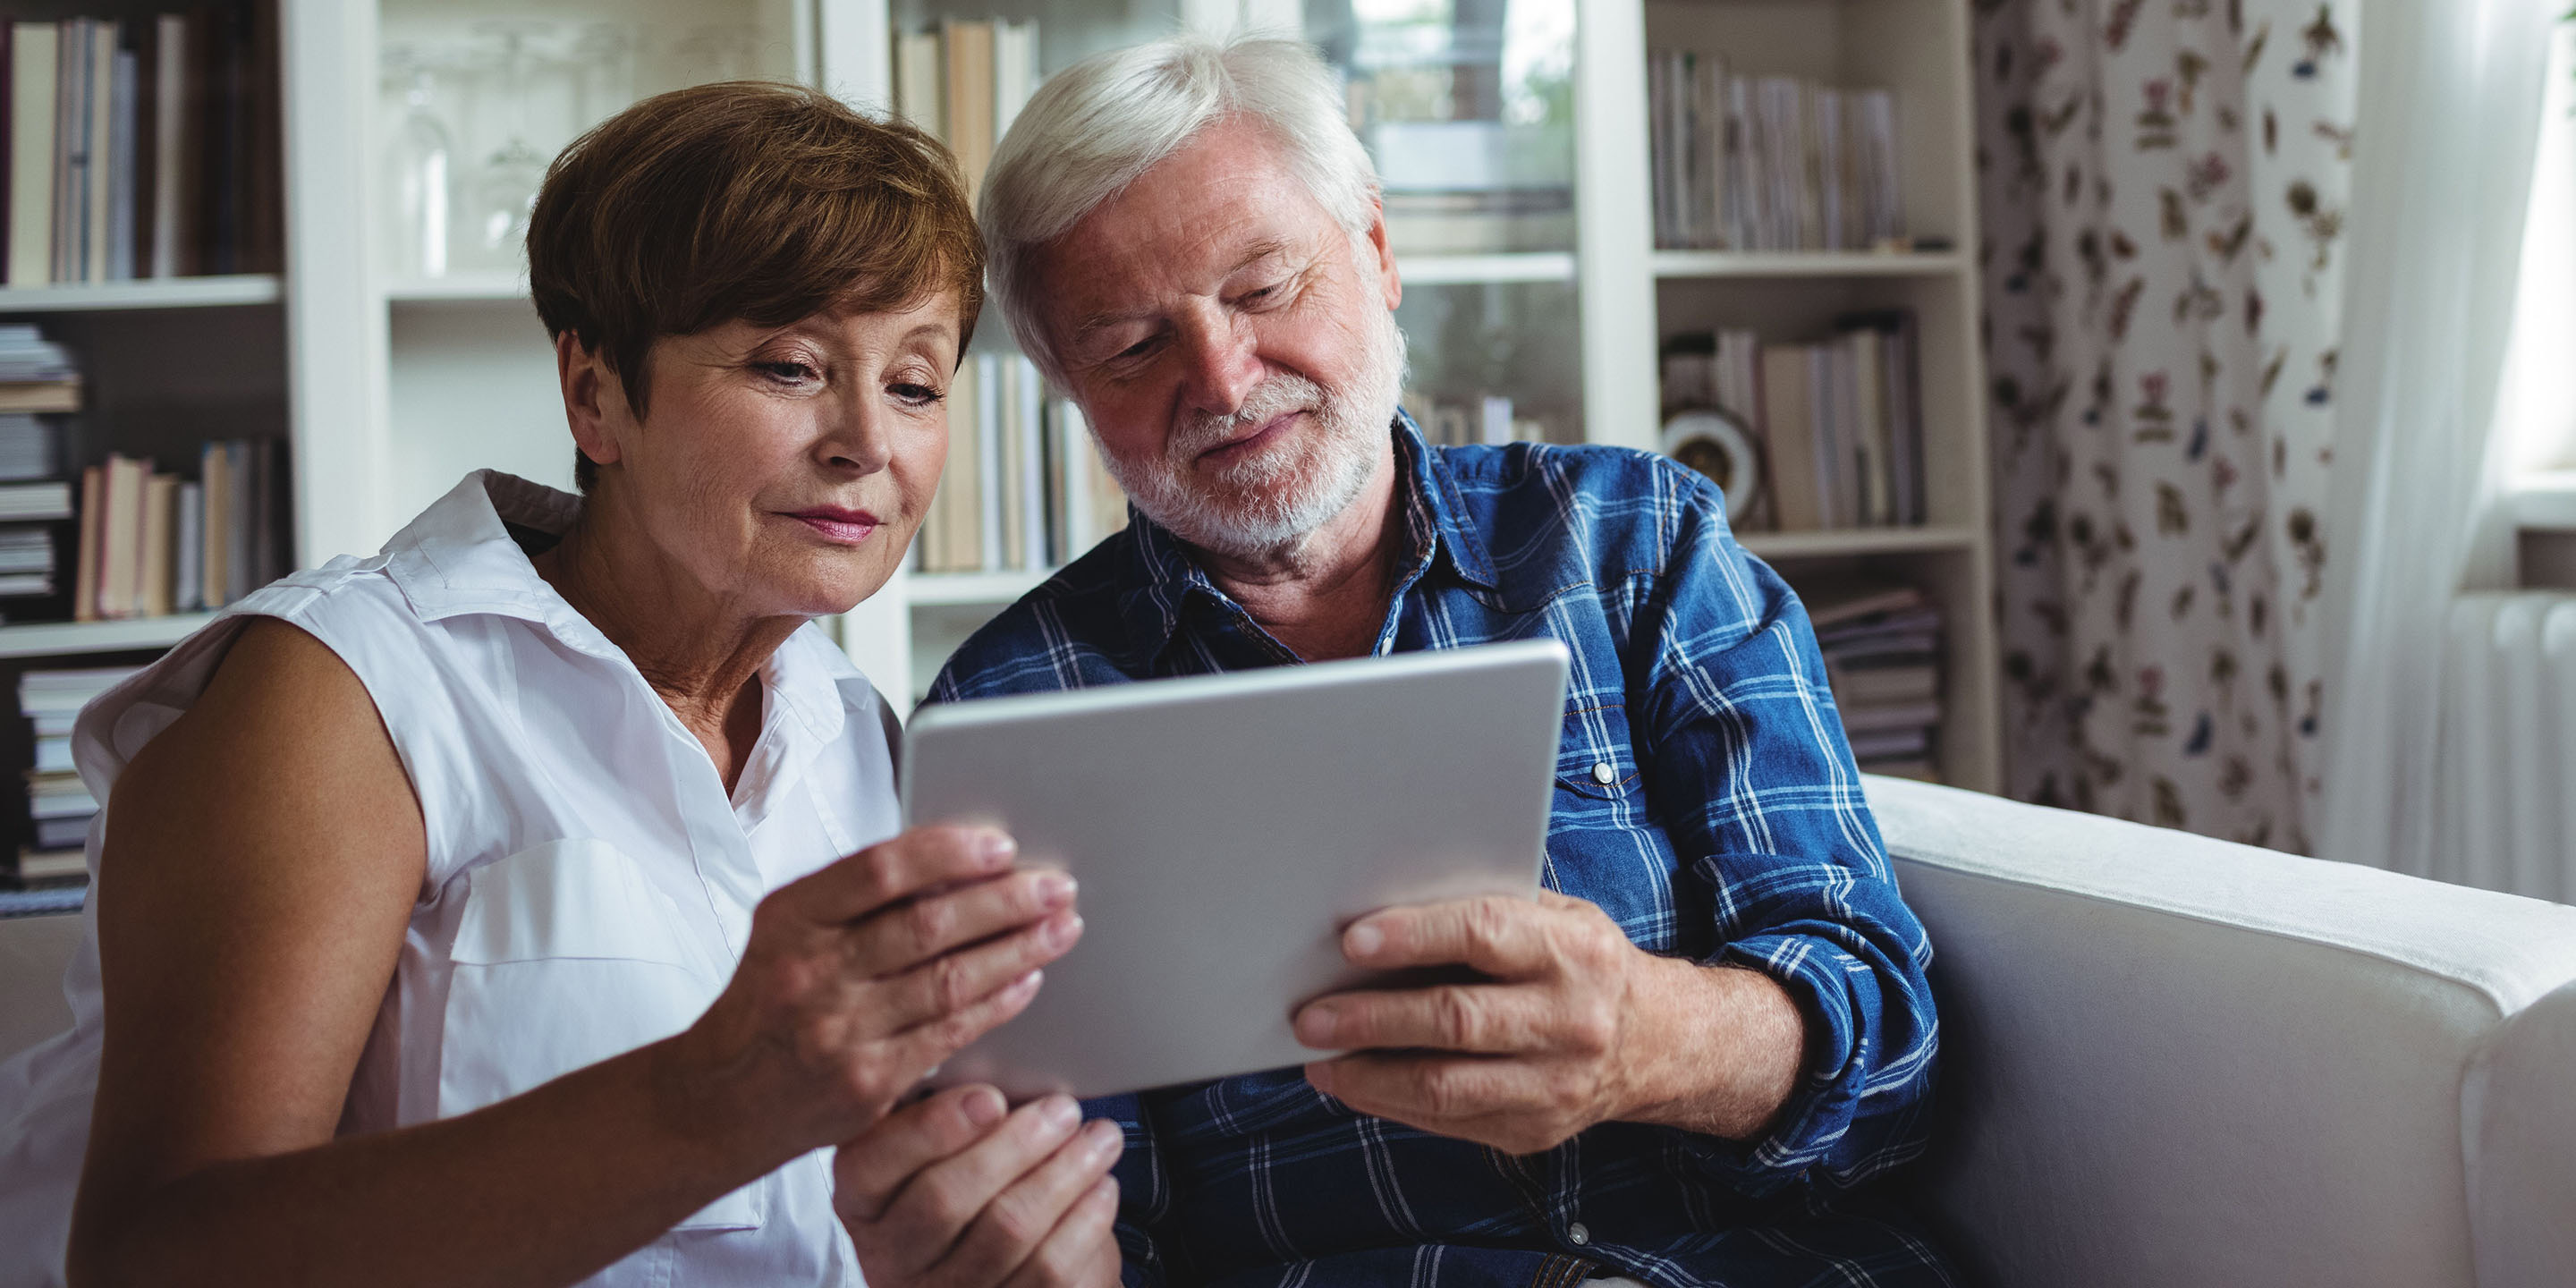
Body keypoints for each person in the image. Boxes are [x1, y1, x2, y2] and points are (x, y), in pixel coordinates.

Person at [0, 83, 1123, 1287]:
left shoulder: (863, 737)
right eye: (790, 368)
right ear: (595, 396)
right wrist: (709, 1103)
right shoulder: (344, 691)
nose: (867, 441)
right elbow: (153, 1255)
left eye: (914, 384)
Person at [916, 36, 1957, 1287]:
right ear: (1067, 387)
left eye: (1261, 291)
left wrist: (1653, 1038)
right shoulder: (1010, 706)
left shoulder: (1636, 547)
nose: (1223, 379)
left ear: (1378, 252)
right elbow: (1090, 1223)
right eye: (1133, 346)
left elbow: (1889, 1052)